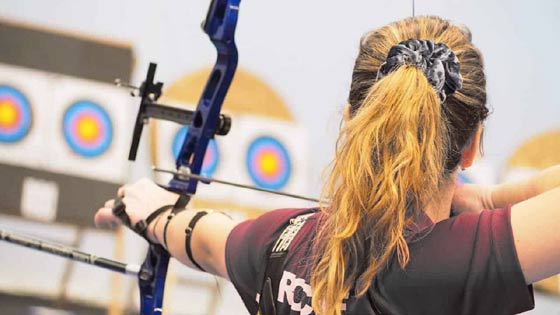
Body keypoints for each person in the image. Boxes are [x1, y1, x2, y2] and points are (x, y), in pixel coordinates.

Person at [95, 16, 560, 315]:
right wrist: (491, 198)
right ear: (471, 145)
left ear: (352, 120)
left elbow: (204, 238)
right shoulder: (452, 263)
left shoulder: (279, 241)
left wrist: (150, 212)